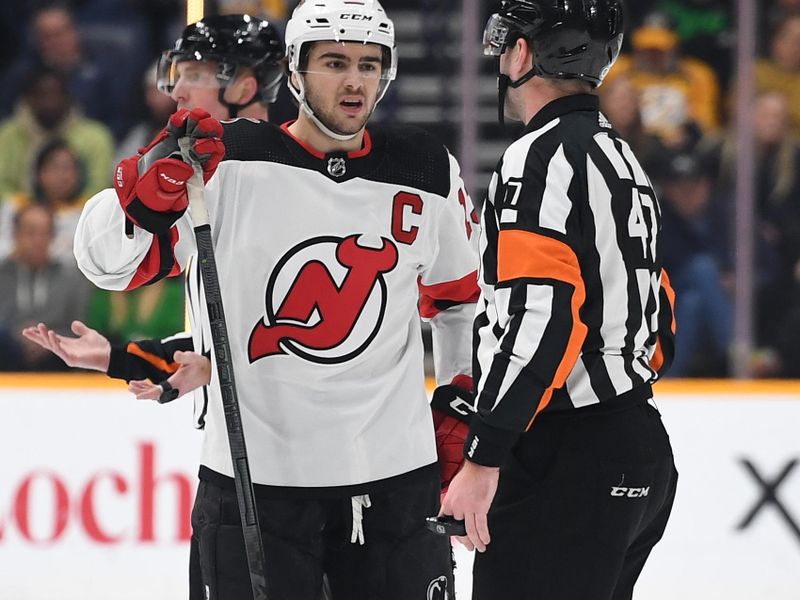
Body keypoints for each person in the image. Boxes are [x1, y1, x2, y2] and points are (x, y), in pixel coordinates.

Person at [27, 3, 478, 599]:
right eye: (335, 62)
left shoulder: (425, 168)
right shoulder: (224, 161)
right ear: (294, 71)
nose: (354, 81)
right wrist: (149, 180)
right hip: (253, 490)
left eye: (370, 64)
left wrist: (454, 392)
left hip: (392, 486)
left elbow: (459, 301)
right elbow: (105, 263)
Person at [440, 2, 678, 600]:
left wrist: (484, 452)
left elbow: (540, 318)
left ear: (523, 53)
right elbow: (660, 312)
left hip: (567, 459)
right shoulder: (620, 157)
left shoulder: (541, 158)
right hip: (636, 442)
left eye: (506, 46)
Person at [0, 204, 92, 371]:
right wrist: (20, 336)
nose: (38, 240)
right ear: (15, 234)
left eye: (45, 233)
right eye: (31, 232)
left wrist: (49, 339)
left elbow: (81, 325)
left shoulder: (71, 278)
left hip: (57, 357)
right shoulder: (3, 274)